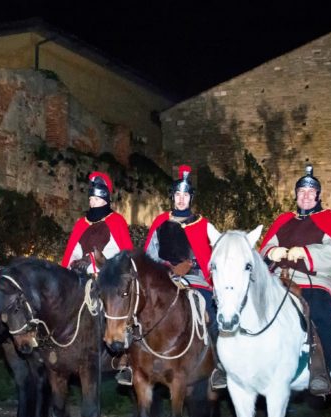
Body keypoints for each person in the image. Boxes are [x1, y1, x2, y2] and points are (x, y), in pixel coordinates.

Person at [115, 164, 224, 389]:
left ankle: (218, 365)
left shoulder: (203, 225)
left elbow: (213, 258)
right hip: (164, 278)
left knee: (209, 311)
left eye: (185, 195)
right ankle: (129, 360)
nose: (181, 199)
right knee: (140, 307)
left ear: (191, 198)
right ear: (172, 197)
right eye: (177, 195)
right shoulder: (161, 223)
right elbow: (150, 255)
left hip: (194, 279)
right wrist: (166, 268)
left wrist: (191, 265)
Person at [259, 165, 331, 396]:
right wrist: (271, 251)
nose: (305, 196)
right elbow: (265, 247)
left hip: (314, 282)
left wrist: (306, 252)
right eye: (301, 192)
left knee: (318, 313)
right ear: (296, 195)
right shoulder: (284, 220)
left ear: (318, 196)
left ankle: (320, 371)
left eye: (310, 193)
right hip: (279, 280)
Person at [61, 172, 133, 275]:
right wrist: (74, 261)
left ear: (105, 200)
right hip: (80, 273)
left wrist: (92, 258)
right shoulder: (82, 223)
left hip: (106, 276)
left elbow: (119, 252)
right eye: (90, 199)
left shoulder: (116, 221)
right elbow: (74, 250)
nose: (92, 203)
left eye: (96, 199)